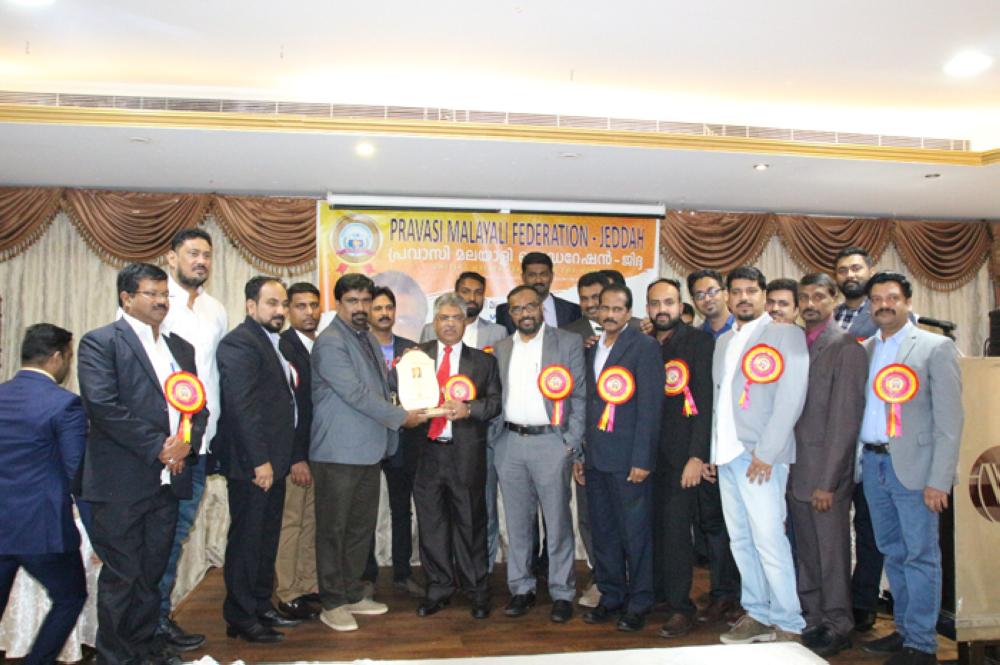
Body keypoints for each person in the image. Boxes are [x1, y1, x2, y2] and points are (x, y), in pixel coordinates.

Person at [78, 262, 207, 665]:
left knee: (152, 574)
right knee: (123, 577)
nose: (161, 302)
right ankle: (116, 657)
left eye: (164, 294)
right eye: (151, 294)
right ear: (127, 298)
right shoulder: (101, 343)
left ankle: (147, 649)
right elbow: (103, 407)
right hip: (121, 483)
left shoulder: (179, 347)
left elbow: (197, 407)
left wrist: (185, 445)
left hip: (169, 481)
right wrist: (158, 447)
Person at [310, 273, 427, 632]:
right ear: (339, 304)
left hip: (369, 450)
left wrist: (419, 378)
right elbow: (357, 394)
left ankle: (352, 592)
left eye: (365, 300)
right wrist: (402, 418)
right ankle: (331, 602)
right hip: (338, 452)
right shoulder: (330, 342)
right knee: (334, 530)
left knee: (359, 528)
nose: (361, 308)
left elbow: (385, 386)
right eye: (353, 301)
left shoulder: (367, 340)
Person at [857, 272, 963, 665]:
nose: (884, 304)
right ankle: (903, 629)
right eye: (877, 298)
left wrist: (939, 480)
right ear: (870, 305)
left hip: (917, 471)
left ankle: (922, 644)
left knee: (921, 555)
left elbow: (950, 422)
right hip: (874, 464)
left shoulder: (936, 347)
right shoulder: (865, 349)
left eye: (893, 297)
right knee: (892, 552)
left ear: (907, 301)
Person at [711, 266, 808, 644]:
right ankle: (758, 611)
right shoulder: (723, 341)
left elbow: (791, 397)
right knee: (741, 540)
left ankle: (789, 622)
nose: (743, 298)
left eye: (751, 290)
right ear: (727, 297)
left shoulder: (785, 334)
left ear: (763, 294)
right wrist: (714, 454)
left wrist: (766, 453)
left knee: (769, 538)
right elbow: (720, 401)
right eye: (736, 292)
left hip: (761, 457)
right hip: (728, 456)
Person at [492, 285, 586, 623]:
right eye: (517, 309)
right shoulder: (501, 348)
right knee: (517, 524)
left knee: (558, 521)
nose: (525, 313)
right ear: (510, 313)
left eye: (530, 306)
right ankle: (521, 588)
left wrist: (570, 442)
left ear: (541, 308)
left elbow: (579, 396)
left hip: (552, 444)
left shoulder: (567, 342)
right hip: (510, 443)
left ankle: (562, 591)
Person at [156, 227, 228, 652]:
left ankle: (159, 620)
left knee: (177, 534)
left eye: (206, 255)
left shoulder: (216, 309)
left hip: (202, 445)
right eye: (192, 253)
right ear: (172, 257)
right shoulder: (155, 302)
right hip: (165, 447)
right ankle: (148, 625)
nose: (200, 261)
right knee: (159, 538)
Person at [789, 273, 868, 657]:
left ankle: (839, 623)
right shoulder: (796, 345)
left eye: (818, 296)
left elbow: (844, 422)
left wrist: (829, 482)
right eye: (804, 297)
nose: (810, 303)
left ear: (834, 300)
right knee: (806, 552)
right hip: (795, 469)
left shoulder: (846, 348)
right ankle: (814, 617)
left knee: (832, 552)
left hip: (824, 475)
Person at [217, 277, 299, 643]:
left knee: (266, 540)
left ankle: (261, 605)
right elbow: (242, 408)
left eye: (283, 303)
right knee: (248, 542)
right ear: (251, 306)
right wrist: (260, 462)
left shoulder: (273, 342)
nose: (279, 310)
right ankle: (240, 617)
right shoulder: (240, 343)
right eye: (271, 303)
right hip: (255, 465)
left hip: (274, 462)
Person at [0, 324, 88, 665]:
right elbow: (75, 470)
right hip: (43, 528)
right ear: (56, 358)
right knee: (70, 597)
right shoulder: (65, 405)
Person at [413, 294, 502, 618]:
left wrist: (470, 409)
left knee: (471, 524)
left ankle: (477, 590)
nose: (449, 323)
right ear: (434, 323)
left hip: (466, 455)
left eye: (455, 318)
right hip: (426, 454)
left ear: (465, 323)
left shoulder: (484, 361)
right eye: (443, 318)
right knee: (432, 525)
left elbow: (495, 403)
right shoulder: (416, 357)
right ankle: (438, 587)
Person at [582, 283, 664, 633]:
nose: (611, 314)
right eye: (605, 308)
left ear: (629, 313)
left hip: (630, 459)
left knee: (636, 534)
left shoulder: (643, 347)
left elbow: (650, 407)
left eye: (618, 309)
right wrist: (580, 454)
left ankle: (640, 600)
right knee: (604, 532)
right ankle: (612, 595)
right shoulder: (591, 349)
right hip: (596, 458)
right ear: (597, 312)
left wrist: (643, 459)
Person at [645, 280, 714, 639]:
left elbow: (704, 403)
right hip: (645, 456)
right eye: (655, 303)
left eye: (668, 302)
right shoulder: (644, 344)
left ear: (680, 305)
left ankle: (680, 607)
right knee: (653, 529)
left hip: (681, 456)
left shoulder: (699, 342)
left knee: (675, 533)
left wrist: (697, 456)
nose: (662, 309)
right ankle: (659, 594)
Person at [831, 245, 885, 632]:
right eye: (843, 270)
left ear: (870, 270)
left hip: (870, 441)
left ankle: (864, 601)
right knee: (832, 527)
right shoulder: (827, 317)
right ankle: (834, 598)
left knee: (868, 527)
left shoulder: (885, 317)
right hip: (832, 442)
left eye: (856, 268)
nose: (850, 274)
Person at [685, 269, 741, 624]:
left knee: (746, 527)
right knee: (714, 525)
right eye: (699, 294)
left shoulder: (745, 332)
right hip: (709, 449)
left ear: (725, 293)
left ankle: (747, 596)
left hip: (743, 449)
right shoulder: (697, 339)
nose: (707, 299)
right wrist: (703, 452)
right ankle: (724, 593)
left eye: (711, 291)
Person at [364, 286, 423, 597]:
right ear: (368, 313)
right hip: (369, 438)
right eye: (378, 308)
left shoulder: (412, 349)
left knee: (402, 509)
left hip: (404, 440)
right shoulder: (359, 348)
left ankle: (402, 572)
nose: (384, 313)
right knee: (367, 511)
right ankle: (367, 577)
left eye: (388, 307)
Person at [275, 282, 322, 620]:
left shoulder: (315, 346)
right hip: (297, 455)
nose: (309, 312)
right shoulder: (284, 347)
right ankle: (287, 591)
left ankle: (306, 584)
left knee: (309, 522)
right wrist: (295, 457)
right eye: (301, 306)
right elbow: (287, 410)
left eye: (314, 305)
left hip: (317, 450)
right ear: (289, 310)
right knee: (291, 523)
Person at [495, 252, 581, 333]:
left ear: (551, 276)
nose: (538, 280)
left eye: (543, 274)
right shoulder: (504, 311)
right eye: (532, 275)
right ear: (523, 277)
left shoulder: (573, 310)